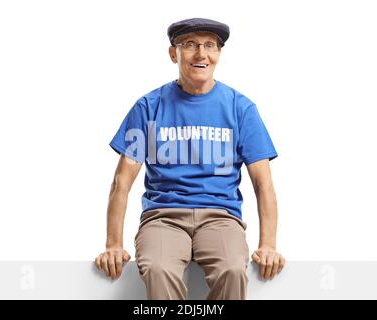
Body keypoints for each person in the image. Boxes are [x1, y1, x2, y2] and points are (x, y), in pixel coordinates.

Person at [95, 17, 285, 300]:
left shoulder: (240, 109)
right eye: (190, 45)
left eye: (210, 45)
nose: (201, 54)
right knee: (158, 269)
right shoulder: (148, 107)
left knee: (233, 270)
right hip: (163, 217)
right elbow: (121, 182)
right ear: (174, 53)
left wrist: (268, 244)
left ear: (219, 54)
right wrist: (113, 244)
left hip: (221, 217)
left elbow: (263, 184)